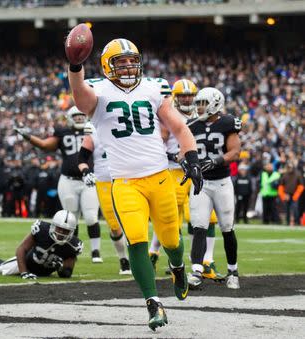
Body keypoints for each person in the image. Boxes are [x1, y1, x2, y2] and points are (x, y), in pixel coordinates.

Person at [67, 38, 203, 331]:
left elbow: (178, 126)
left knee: (171, 241)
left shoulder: (154, 87)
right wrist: (75, 65)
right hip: (125, 183)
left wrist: (190, 156)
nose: (128, 66)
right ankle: (153, 303)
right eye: (121, 61)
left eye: (132, 61)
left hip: (160, 177)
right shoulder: (97, 90)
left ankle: (178, 267)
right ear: (107, 65)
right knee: (137, 240)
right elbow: (79, 97)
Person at [151, 79, 224, 282]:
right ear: (175, 96)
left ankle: (206, 262)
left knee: (206, 218)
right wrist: (177, 158)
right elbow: (159, 147)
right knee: (171, 217)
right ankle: (167, 259)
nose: (186, 99)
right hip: (175, 172)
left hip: (197, 171)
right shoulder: (168, 114)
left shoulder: (202, 114)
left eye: (189, 96)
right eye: (182, 95)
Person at [14, 107, 102, 263]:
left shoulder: (94, 130)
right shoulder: (63, 132)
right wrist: (27, 136)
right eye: (76, 116)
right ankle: (71, 251)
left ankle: (96, 252)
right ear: (69, 118)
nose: (80, 118)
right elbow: (44, 144)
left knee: (91, 216)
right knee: (70, 218)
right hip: (68, 180)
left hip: (89, 179)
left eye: (82, 115)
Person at [186, 87, 242, 290]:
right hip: (201, 183)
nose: (199, 107)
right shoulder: (192, 125)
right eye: (198, 103)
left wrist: (217, 160)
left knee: (227, 227)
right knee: (199, 226)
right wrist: (184, 161)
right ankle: (197, 270)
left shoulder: (227, 123)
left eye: (203, 103)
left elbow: (235, 151)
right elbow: (183, 151)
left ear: (215, 103)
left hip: (221, 183)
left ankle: (233, 270)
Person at [78, 120, 131, 275]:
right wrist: (86, 171)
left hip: (127, 178)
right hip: (105, 182)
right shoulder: (92, 129)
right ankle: (123, 259)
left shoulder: (124, 123)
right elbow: (82, 159)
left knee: (131, 220)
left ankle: (138, 258)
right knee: (114, 226)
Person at [0, 210, 82, 279]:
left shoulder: (73, 246)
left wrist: (60, 267)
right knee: (2, 269)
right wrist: (24, 272)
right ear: (53, 225)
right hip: (27, 263)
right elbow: (22, 249)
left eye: (65, 231)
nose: (61, 233)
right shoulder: (42, 230)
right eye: (59, 228)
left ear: (72, 232)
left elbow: (66, 274)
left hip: (43, 272)